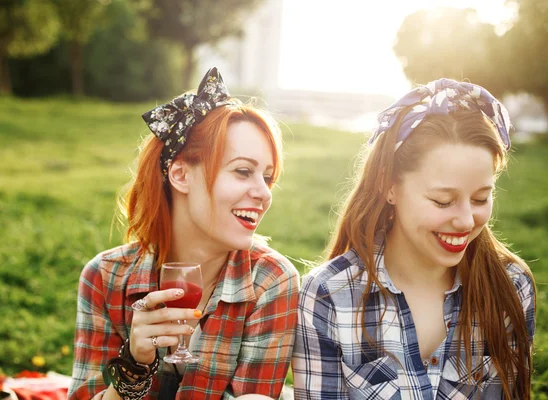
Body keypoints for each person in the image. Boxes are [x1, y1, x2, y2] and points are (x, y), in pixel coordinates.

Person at [291, 79, 535, 399]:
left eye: (479, 199)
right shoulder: (329, 295)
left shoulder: (512, 286)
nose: (465, 220)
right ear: (389, 186)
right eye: (442, 201)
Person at [66, 67, 299, 400]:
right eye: (243, 171)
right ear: (180, 174)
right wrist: (135, 364)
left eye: (268, 178)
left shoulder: (270, 281)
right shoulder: (105, 278)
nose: (264, 193)